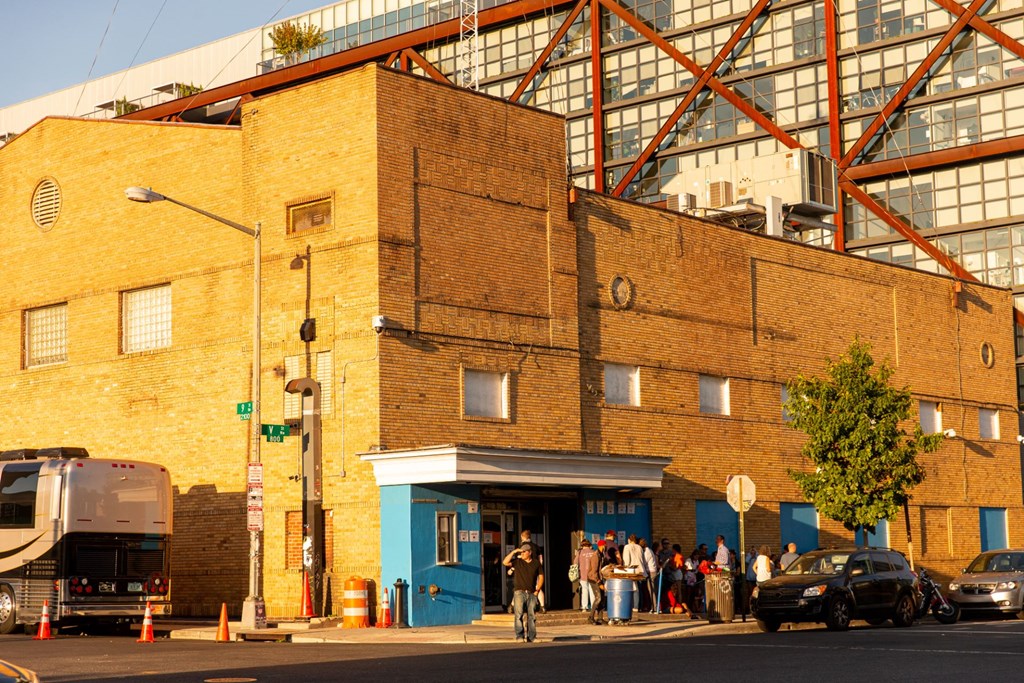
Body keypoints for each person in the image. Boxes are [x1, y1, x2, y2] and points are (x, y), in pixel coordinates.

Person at [503, 543, 544, 643]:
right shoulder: (517, 562)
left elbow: (541, 577)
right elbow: (505, 562)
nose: (522, 554)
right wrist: (513, 552)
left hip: (531, 592)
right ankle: (519, 636)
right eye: (521, 552)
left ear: (529, 552)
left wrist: (537, 590)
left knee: (532, 616)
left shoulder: (536, 563)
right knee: (518, 615)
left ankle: (532, 637)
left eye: (524, 552)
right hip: (519, 592)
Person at [520, 530, 545, 612]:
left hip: (525, 570)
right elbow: (541, 560)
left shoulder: (523, 547)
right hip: (536, 569)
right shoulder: (536, 546)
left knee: (522, 588)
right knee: (538, 587)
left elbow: (520, 558)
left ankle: (517, 606)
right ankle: (542, 606)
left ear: (523, 537)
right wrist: (539, 568)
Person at [576, 538, 600, 613]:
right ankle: (594, 607)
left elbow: (575, 563)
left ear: (582, 545)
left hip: (583, 575)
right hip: (592, 575)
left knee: (584, 590)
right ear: (589, 545)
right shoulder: (593, 552)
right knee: (592, 591)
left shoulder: (579, 553)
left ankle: (584, 607)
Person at [621, 534, 644, 612]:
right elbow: (642, 559)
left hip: (632, 570)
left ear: (629, 540)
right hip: (640, 570)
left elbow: (626, 560)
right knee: (640, 589)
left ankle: (635, 606)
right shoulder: (639, 547)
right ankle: (640, 606)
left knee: (634, 589)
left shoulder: (627, 547)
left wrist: (625, 568)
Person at [640, 538, 659, 613]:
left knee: (651, 590)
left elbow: (644, 562)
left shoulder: (647, 552)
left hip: (651, 572)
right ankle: (653, 606)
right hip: (651, 571)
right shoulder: (649, 551)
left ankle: (654, 607)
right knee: (651, 590)